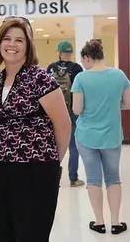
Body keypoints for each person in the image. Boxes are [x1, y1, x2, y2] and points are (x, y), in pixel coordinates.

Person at [0, 16, 71, 241]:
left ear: (28, 46)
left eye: (19, 40)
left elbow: (63, 124)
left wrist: (52, 164)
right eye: (7, 39)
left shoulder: (40, 78)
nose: (11, 45)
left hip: (37, 169)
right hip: (0, 167)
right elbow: (0, 124)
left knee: (32, 234)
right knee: (6, 232)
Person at [71, 39, 130, 235]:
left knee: (93, 179)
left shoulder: (81, 78)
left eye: (83, 61)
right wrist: (111, 106)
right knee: (114, 178)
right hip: (112, 135)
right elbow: (128, 104)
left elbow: (77, 109)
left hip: (86, 136)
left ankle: (99, 222)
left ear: (87, 57)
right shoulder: (119, 75)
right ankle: (115, 222)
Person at [46, 40, 85, 188]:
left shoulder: (50, 67)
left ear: (60, 53)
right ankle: (73, 178)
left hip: (53, 112)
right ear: (71, 53)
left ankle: (51, 177)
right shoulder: (77, 69)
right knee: (73, 147)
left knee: (52, 145)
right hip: (72, 112)